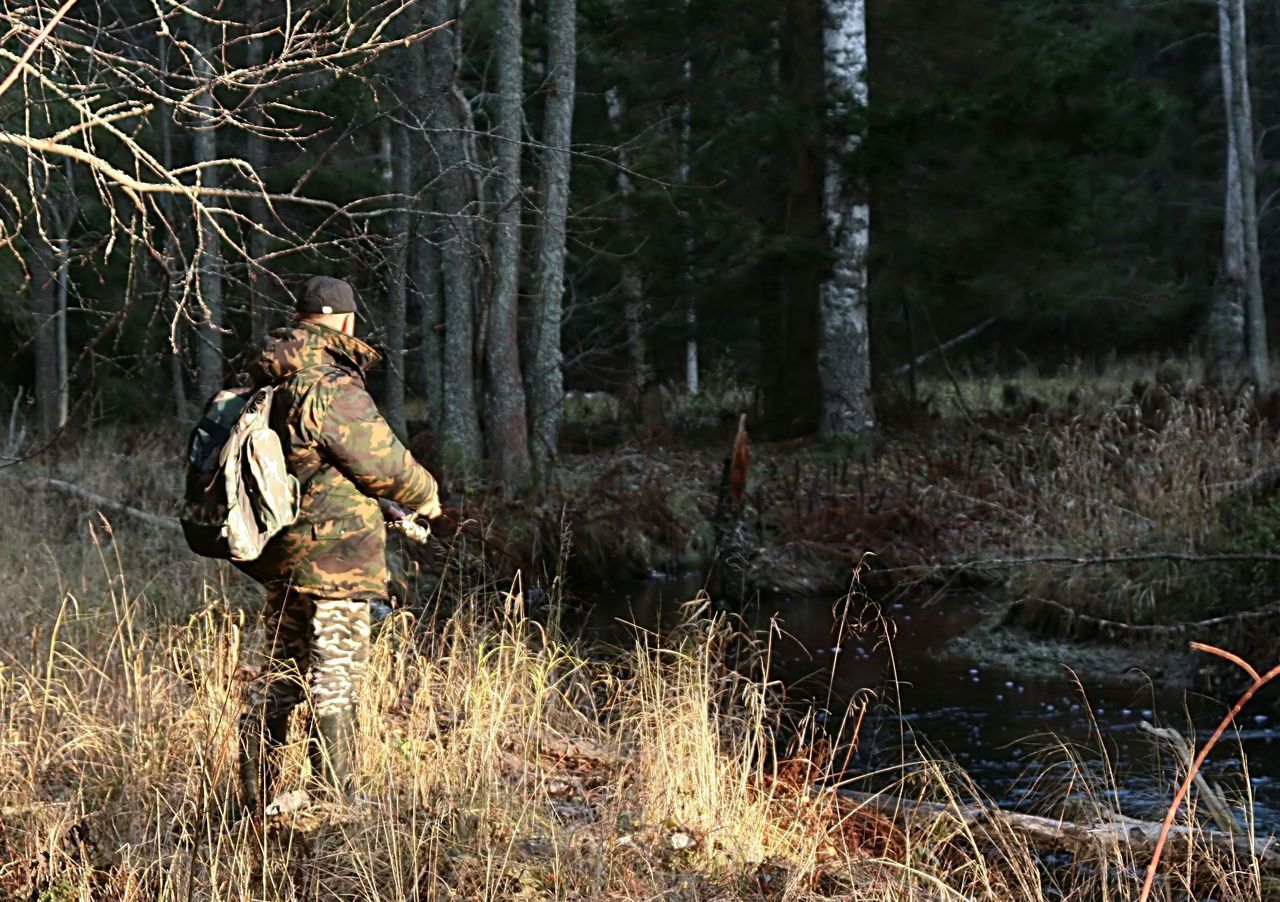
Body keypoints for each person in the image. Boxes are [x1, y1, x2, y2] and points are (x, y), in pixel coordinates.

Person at [235, 275, 442, 813]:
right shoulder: (329, 384)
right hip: (337, 559)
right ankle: (334, 800)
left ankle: (254, 799)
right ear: (346, 321)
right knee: (336, 674)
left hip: (281, 551)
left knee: (281, 675)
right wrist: (427, 497)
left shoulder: (271, 375)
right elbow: (384, 464)